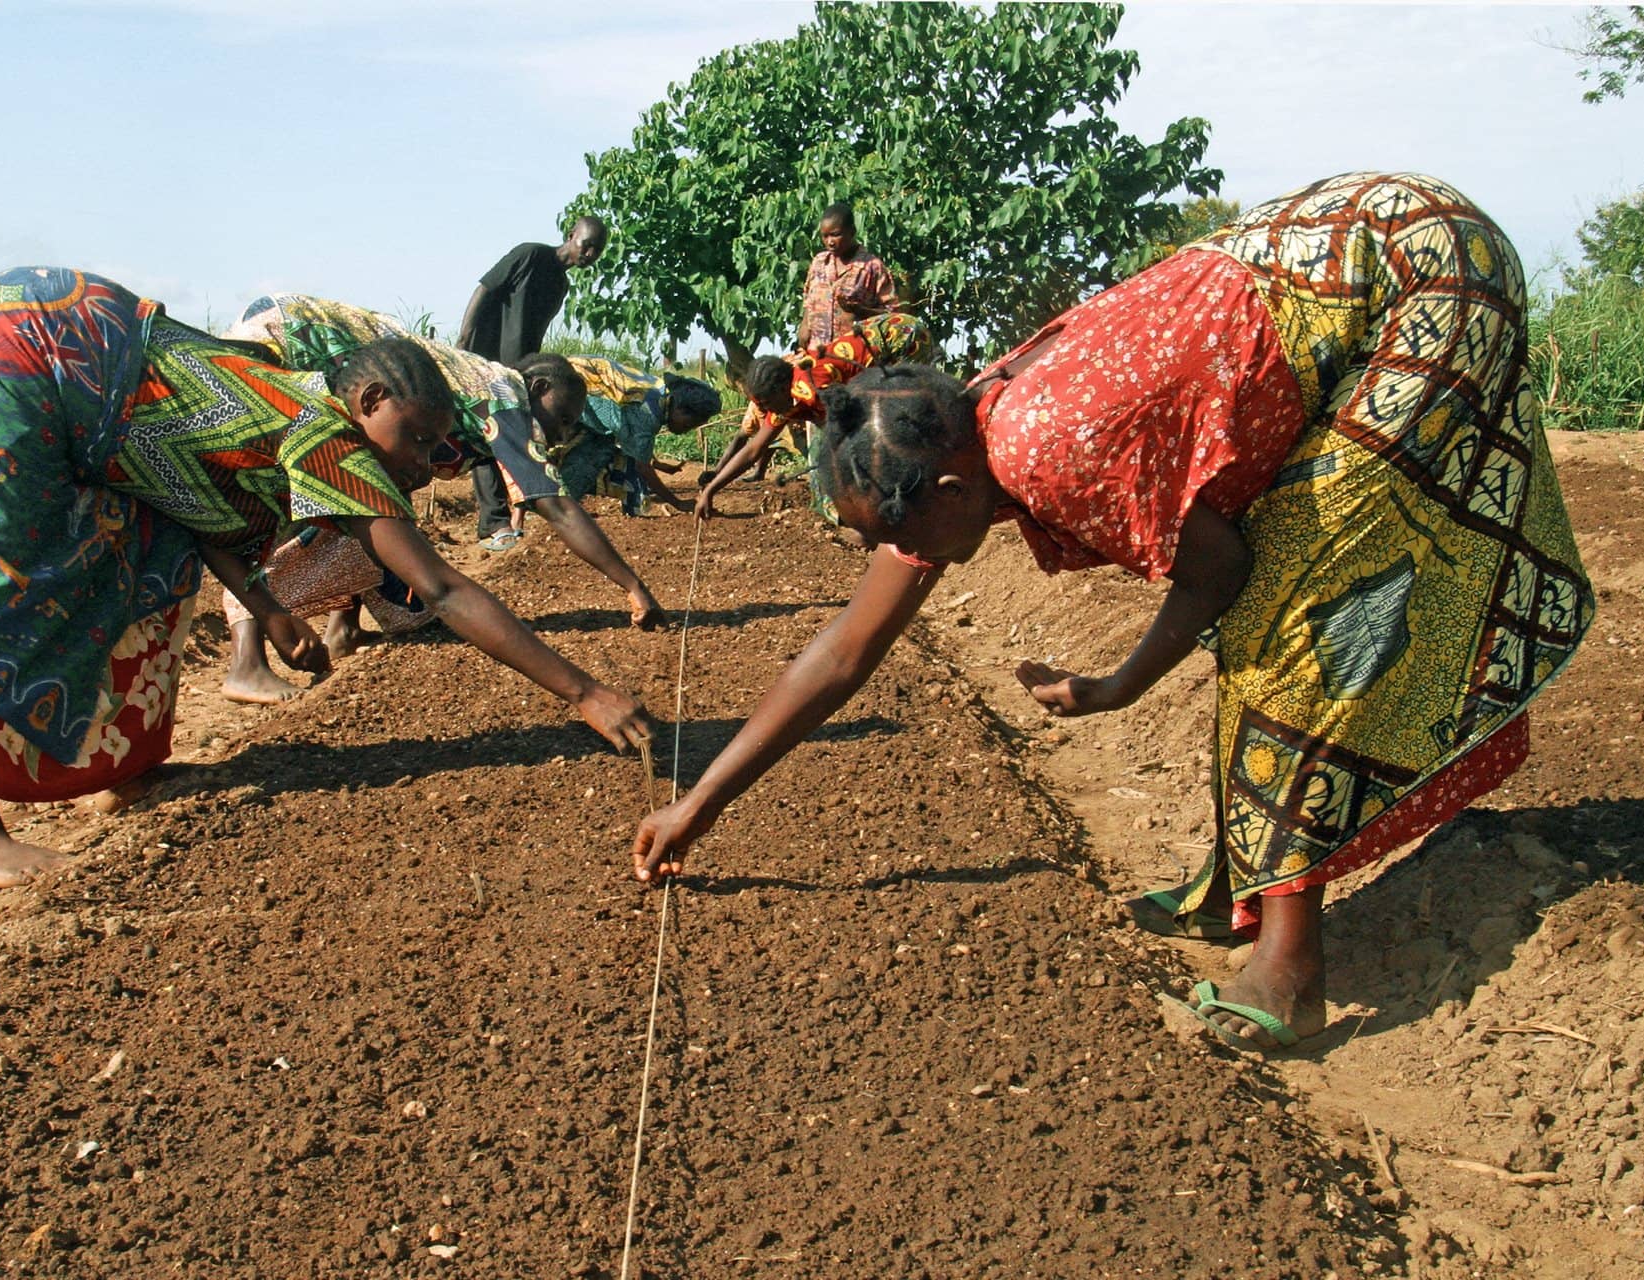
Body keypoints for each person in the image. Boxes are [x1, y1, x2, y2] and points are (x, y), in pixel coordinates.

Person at [630, 173, 1595, 1056]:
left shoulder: (1053, 450)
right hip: (1344, 261)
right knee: (1270, 607)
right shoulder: (950, 432)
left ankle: (1292, 971)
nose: (890, 552)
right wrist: (696, 806)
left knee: (1290, 624)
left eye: (889, 528)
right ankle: (1235, 888)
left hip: (1425, 283)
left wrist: (1118, 685)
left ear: (954, 488)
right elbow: (844, 653)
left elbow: (1220, 568)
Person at [0, 267, 654, 891]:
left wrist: (268, 608)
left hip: (73, 350)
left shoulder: (293, 400)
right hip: (23, 358)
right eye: (415, 439)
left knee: (144, 560)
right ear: (369, 401)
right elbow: (443, 589)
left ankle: (126, 770)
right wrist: (586, 693)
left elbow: (184, 500)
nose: (420, 462)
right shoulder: (331, 441)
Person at [218, 295, 665, 704]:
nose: (560, 433)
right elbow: (558, 506)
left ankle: (345, 628)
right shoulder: (504, 395)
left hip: (293, 332)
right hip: (286, 336)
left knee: (364, 500)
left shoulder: (467, 409)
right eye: (562, 417)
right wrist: (633, 585)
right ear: (539, 388)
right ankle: (247, 664)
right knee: (274, 495)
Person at [459, 216, 609, 550]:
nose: (590, 254)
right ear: (571, 236)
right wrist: (465, 339)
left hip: (519, 369)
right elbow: (485, 288)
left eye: (596, 251)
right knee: (488, 436)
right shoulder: (531, 255)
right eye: (587, 245)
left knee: (512, 436)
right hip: (486, 359)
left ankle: (510, 518)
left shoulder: (561, 285)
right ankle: (493, 524)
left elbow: (535, 329)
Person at [699, 312, 931, 528]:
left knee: (892, 421)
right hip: (878, 340)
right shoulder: (784, 390)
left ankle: (910, 503)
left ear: (780, 390)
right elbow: (754, 449)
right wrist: (712, 489)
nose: (764, 410)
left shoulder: (811, 388)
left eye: (766, 404)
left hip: (902, 337)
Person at [557, 356, 720, 516]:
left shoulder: (659, 392)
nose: (687, 429)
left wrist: (656, 463)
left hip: (568, 383)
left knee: (600, 447)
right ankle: (560, 507)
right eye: (688, 424)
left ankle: (562, 502)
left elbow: (637, 439)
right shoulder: (648, 415)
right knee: (606, 460)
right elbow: (642, 467)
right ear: (680, 408)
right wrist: (677, 503)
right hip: (561, 397)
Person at [798, 201, 898, 351]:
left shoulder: (872, 267)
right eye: (825, 236)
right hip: (816, 352)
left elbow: (893, 315)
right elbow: (808, 299)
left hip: (854, 355)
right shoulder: (819, 262)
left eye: (835, 235)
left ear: (851, 232)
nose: (830, 242)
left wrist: (862, 311)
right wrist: (804, 325)